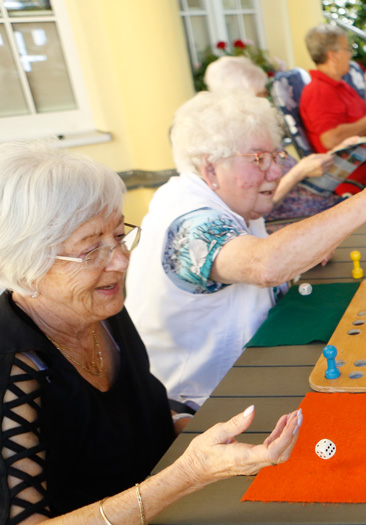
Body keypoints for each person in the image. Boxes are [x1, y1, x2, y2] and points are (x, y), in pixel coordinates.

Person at [0, 141, 300, 523]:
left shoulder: (100, 310)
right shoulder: (13, 369)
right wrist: (188, 474)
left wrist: (216, 438)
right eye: (92, 249)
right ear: (28, 263)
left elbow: (142, 424)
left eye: (119, 236)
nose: (122, 261)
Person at [125, 91, 366, 410]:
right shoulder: (189, 225)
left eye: (277, 157)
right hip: (205, 405)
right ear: (211, 168)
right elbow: (264, 265)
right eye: (260, 159)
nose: (275, 172)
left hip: (253, 366)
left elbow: (252, 246)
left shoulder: (222, 201)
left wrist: (303, 247)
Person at [205, 55, 351, 225]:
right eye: (260, 94)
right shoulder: (232, 143)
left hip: (323, 207)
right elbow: (253, 211)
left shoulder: (257, 128)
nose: (266, 99)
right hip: (300, 221)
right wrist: (299, 172)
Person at [299, 24, 366, 194]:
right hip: (364, 177)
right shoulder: (319, 92)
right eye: (347, 49)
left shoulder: (339, 85)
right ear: (333, 56)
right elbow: (331, 139)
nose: (350, 54)